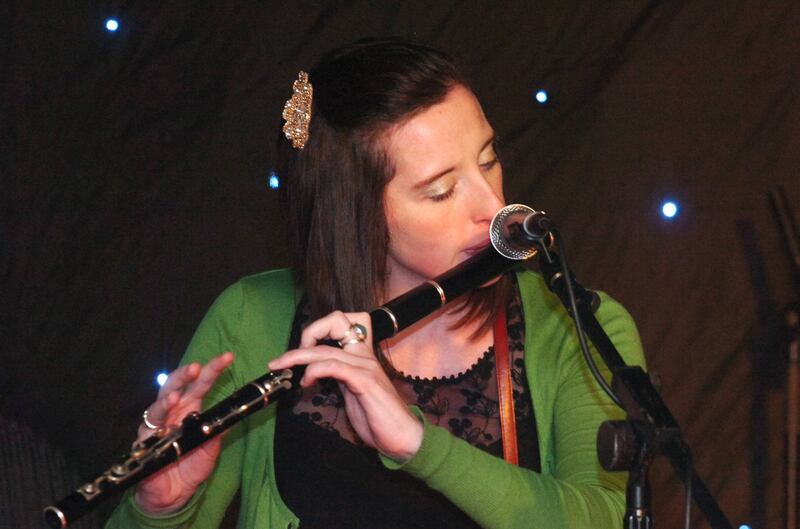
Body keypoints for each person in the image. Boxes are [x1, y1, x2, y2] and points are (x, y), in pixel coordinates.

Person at [106, 38, 646, 529]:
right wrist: (160, 510)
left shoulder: (579, 325)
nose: (493, 206)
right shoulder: (252, 317)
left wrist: (420, 445)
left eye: (488, 161)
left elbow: (609, 519)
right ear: (355, 213)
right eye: (440, 191)